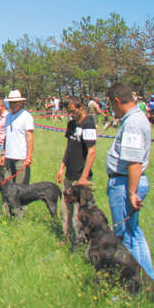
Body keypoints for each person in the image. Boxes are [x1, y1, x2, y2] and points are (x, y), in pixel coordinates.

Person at [105, 82, 154, 282]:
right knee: (134, 234)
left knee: (125, 235)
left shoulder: (133, 123)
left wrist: (132, 192)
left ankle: (136, 283)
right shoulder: (135, 119)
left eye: (110, 104)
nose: (110, 109)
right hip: (128, 183)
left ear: (117, 101)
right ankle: (146, 280)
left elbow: (134, 161)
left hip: (125, 184)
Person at [56, 96, 97, 246]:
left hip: (81, 177)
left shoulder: (88, 125)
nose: (71, 114)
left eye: (73, 111)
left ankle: (80, 245)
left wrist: (84, 177)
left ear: (81, 107)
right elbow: (69, 147)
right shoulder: (71, 124)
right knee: (64, 210)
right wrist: (62, 167)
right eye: (69, 112)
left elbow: (91, 151)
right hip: (69, 175)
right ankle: (68, 239)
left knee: (79, 215)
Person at [0, 90, 34, 186]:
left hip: (21, 158)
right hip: (8, 156)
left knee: (21, 188)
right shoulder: (8, 116)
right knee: (8, 187)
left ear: (21, 102)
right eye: (11, 102)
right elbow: (6, 136)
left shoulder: (26, 116)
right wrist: (3, 153)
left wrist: (29, 157)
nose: (13, 104)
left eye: (16, 102)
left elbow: (29, 137)